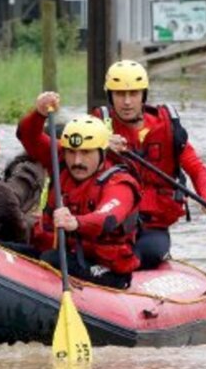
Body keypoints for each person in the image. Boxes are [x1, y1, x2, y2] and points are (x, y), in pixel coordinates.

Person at [94, 60, 206, 270]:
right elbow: (66, 159)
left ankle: (121, 269)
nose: (127, 102)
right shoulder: (96, 128)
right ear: (110, 96)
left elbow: (195, 167)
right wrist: (99, 144)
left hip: (151, 226)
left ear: (143, 95)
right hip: (111, 224)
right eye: (120, 94)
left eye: (134, 94)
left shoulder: (167, 128)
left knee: (151, 252)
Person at [16, 95, 141, 289]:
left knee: (52, 258)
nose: (77, 161)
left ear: (102, 152)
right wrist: (39, 113)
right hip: (63, 253)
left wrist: (76, 223)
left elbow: (107, 217)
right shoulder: (60, 160)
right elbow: (28, 136)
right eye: (72, 152)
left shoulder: (120, 183)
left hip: (105, 267)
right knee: (4, 246)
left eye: (86, 153)